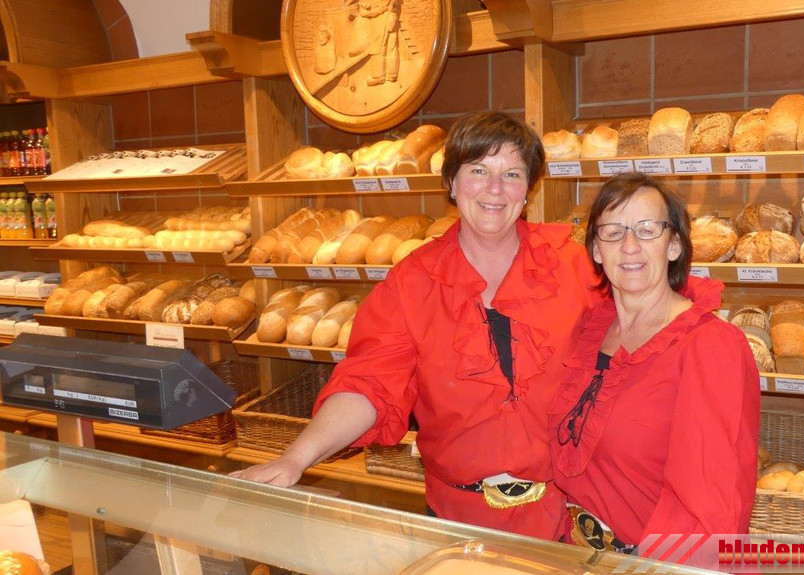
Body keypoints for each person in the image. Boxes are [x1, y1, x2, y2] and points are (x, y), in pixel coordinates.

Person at [231, 111, 600, 540]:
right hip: (456, 518)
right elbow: (369, 383)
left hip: (564, 514)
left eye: (512, 174)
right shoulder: (412, 282)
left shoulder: (573, 265)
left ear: (529, 188)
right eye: (478, 170)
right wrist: (295, 459)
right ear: (452, 183)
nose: (495, 188)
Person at [548, 172, 760, 555]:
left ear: (674, 244)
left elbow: (709, 506)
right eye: (613, 232)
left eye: (647, 230)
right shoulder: (590, 331)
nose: (629, 246)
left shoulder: (709, 346)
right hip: (577, 554)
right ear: (596, 250)